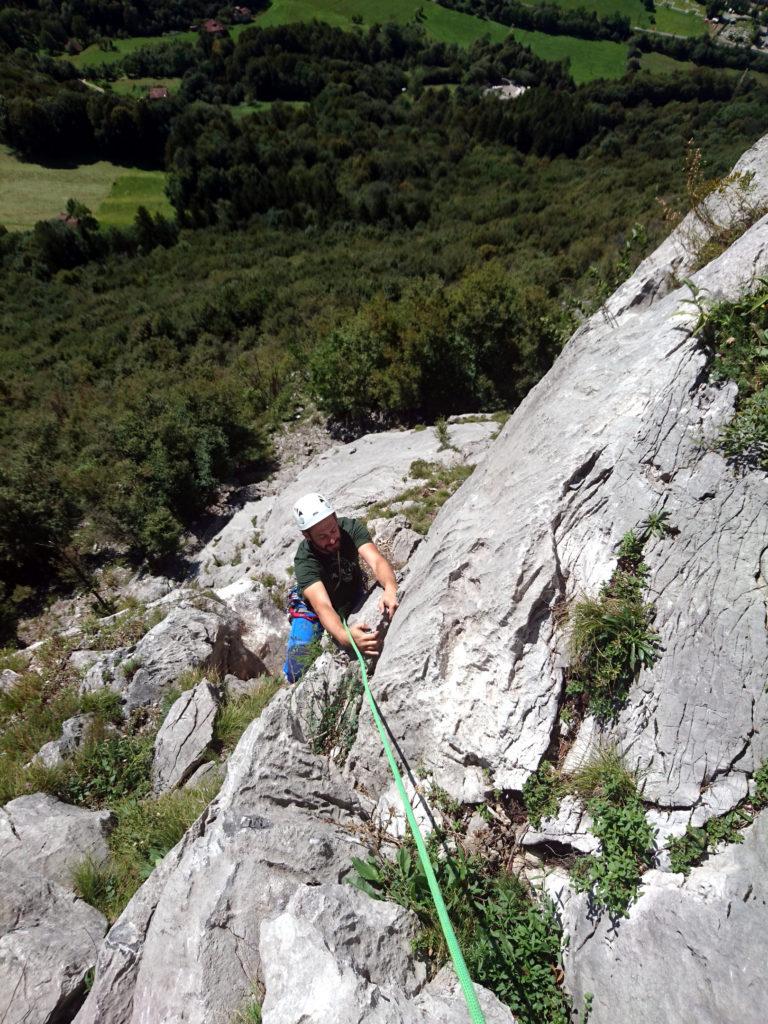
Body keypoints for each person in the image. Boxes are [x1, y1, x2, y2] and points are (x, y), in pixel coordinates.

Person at [282, 492, 399, 683]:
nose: (331, 540)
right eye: (322, 537)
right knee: (297, 666)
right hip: (312, 608)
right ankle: (288, 673)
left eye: (333, 531)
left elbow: (376, 561)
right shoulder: (305, 560)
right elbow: (322, 606)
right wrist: (346, 638)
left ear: (336, 519)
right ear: (307, 536)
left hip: (349, 591)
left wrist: (390, 587)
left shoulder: (350, 529)